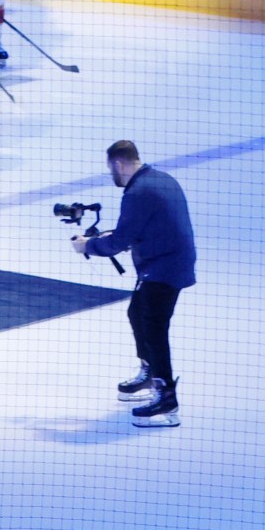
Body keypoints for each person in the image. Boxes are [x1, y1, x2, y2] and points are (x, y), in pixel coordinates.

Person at [74, 140, 197, 428]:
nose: (111, 175)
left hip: (163, 267)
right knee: (137, 313)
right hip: (168, 261)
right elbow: (141, 227)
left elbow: (119, 241)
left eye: (110, 169)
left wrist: (88, 246)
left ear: (119, 164)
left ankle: (166, 395)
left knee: (154, 327)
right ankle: (150, 370)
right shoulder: (159, 179)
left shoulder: (137, 193)